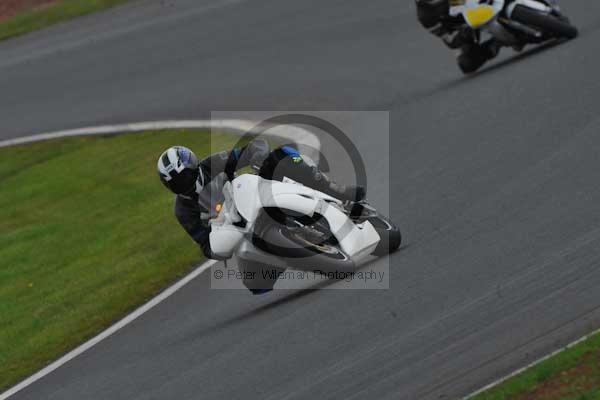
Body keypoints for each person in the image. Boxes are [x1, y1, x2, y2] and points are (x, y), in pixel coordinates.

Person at [157, 139, 365, 261]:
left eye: (184, 176)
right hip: (239, 232)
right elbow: (203, 243)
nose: (182, 184)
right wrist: (217, 248)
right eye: (175, 183)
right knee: (257, 283)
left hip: (253, 197)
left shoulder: (212, 164)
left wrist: (258, 156)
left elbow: (252, 148)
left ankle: (334, 189)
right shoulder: (183, 211)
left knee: (280, 155)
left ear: (193, 166)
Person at [415, 0, 501, 73]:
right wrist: (462, 35)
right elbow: (449, 40)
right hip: (464, 23)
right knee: (467, 63)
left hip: (476, 2)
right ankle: (496, 43)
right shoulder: (425, 16)